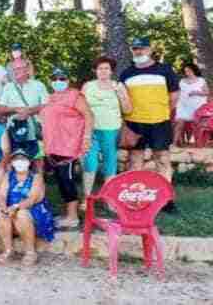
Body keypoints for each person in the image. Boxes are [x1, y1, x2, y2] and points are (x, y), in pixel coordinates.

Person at [120, 37, 180, 213]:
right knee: (135, 161)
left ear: (150, 49)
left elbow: (174, 96)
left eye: (142, 48)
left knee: (162, 159)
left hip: (159, 122)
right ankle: (134, 199)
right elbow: (123, 99)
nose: (139, 51)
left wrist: (162, 113)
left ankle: (167, 200)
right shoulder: (126, 74)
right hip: (134, 123)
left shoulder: (165, 70)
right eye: (135, 48)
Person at [39, 67, 93, 228]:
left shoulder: (75, 95)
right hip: (53, 145)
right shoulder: (51, 97)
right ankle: (67, 213)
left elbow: (89, 115)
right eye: (55, 79)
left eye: (62, 79)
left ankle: (73, 216)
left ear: (68, 81)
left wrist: (87, 137)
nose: (58, 82)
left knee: (66, 179)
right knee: (59, 180)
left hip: (68, 145)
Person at [81, 57, 133, 201]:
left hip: (111, 130)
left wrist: (121, 95)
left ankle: (109, 199)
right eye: (100, 68)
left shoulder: (119, 86)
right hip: (90, 131)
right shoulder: (87, 86)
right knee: (90, 163)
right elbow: (80, 108)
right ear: (95, 71)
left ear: (111, 71)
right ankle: (87, 198)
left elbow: (128, 110)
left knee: (110, 164)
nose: (103, 71)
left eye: (106, 68)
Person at [0, 149, 56, 265]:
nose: (19, 162)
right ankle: (8, 250)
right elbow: (1, 195)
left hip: (34, 212)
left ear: (29, 162)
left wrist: (15, 207)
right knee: (0, 212)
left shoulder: (36, 177)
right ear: (12, 162)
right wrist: (4, 207)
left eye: (23, 159)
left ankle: (30, 252)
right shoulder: (8, 176)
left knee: (22, 213)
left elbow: (32, 199)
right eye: (16, 159)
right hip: (11, 211)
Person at [0, 58, 48, 165]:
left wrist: (30, 111)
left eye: (19, 68)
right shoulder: (8, 87)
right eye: (14, 69)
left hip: (35, 130)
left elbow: (47, 105)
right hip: (14, 130)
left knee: (37, 160)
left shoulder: (39, 85)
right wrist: (15, 109)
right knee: (14, 159)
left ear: (27, 70)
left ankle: (38, 180)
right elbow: (1, 109)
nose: (16, 71)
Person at [175, 62, 209, 145]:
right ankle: (173, 143)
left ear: (194, 70)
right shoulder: (182, 81)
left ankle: (198, 143)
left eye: (189, 71)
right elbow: (178, 92)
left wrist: (197, 92)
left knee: (197, 125)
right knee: (179, 123)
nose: (187, 73)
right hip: (183, 105)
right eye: (186, 71)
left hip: (197, 106)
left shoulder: (201, 80)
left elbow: (207, 92)